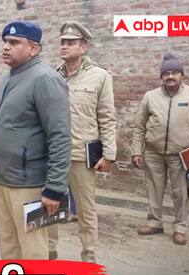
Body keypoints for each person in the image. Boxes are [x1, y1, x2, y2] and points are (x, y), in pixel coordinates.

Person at [0, 21, 71, 260]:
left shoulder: (45, 79)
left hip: (28, 183)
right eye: (5, 42)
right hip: (2, 178)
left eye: (14, 42)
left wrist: (55, 188)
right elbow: (1, 127)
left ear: (33, 48)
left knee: (33, 251)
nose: (6, 47)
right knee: (8, 246)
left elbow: (60, 136)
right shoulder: (7, 77)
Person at [47, 22, 117, 262]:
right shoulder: (52, 77)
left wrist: (109, 155)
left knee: (86, 209)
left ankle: (89, 255)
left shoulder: (100, 77)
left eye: (71, 42)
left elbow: (107, 117)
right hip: (53, 154)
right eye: (62, 42)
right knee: (50, 204)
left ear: (83, 47)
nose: (64, 46)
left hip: (81, 155)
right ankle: (49, 251)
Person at [131, 53, 189, 246]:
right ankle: (155, 222)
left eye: (174, 73)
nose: (170, 76)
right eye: (166, 73)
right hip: (153, 152)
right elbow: (139, 126)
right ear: (161, 76)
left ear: (182, 75)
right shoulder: (150, 96)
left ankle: (180, 228)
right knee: (154, 189)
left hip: (181, 154)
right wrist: (136, 151)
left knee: (181, 193)